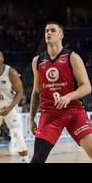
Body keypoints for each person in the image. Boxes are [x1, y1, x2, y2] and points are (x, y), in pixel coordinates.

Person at [30, 22, 92, 163]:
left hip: (74, 112)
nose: (48, 33)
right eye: (46, 31)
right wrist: (31, 119)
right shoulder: (37, 61)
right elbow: (36, 92)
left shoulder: (72, 57)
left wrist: (69, 96)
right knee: (37, 159)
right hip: (50, 114)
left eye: (52, 30)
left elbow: (87, 86)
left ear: (61, 36)